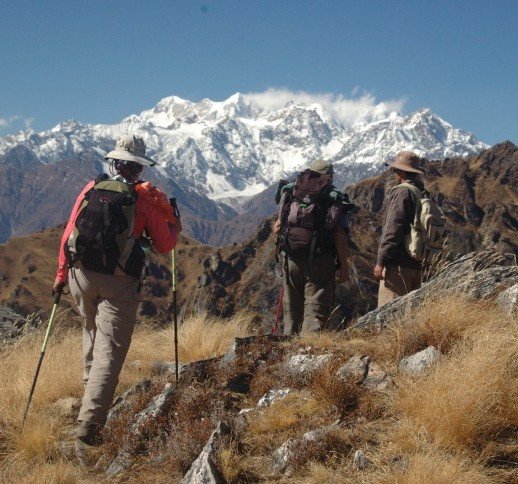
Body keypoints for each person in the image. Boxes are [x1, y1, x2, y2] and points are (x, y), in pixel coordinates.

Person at [53, 135, 182, 445]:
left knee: (90, 331)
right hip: (119, 281)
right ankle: (90, 423)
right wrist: (173, 221)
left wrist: (60, 274)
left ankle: (89, 394)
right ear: (138, 168)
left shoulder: (91, 188)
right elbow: (165, 244)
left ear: (113, 162)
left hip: (80, 274)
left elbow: (69, 232)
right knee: (109, 350)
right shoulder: (144, 198)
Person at [274, 159, 350, 335]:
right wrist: (343, 268)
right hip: (320, 260)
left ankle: (286, 351)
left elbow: (277, 227)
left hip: (291, 258)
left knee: (291, 309)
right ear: (329, 177)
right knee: (315, 311)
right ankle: (306, 354)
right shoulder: (334, 197)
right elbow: (339, 235)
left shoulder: (292, 191)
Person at [374, 151, 424, 307]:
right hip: (417, 264)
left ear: (402, 172)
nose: (394, 173)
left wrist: (381, 261)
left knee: (389, 318)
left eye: (395, 170)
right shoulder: (422, 192)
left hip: (398, 266)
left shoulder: (402, 192)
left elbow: (393, 228)